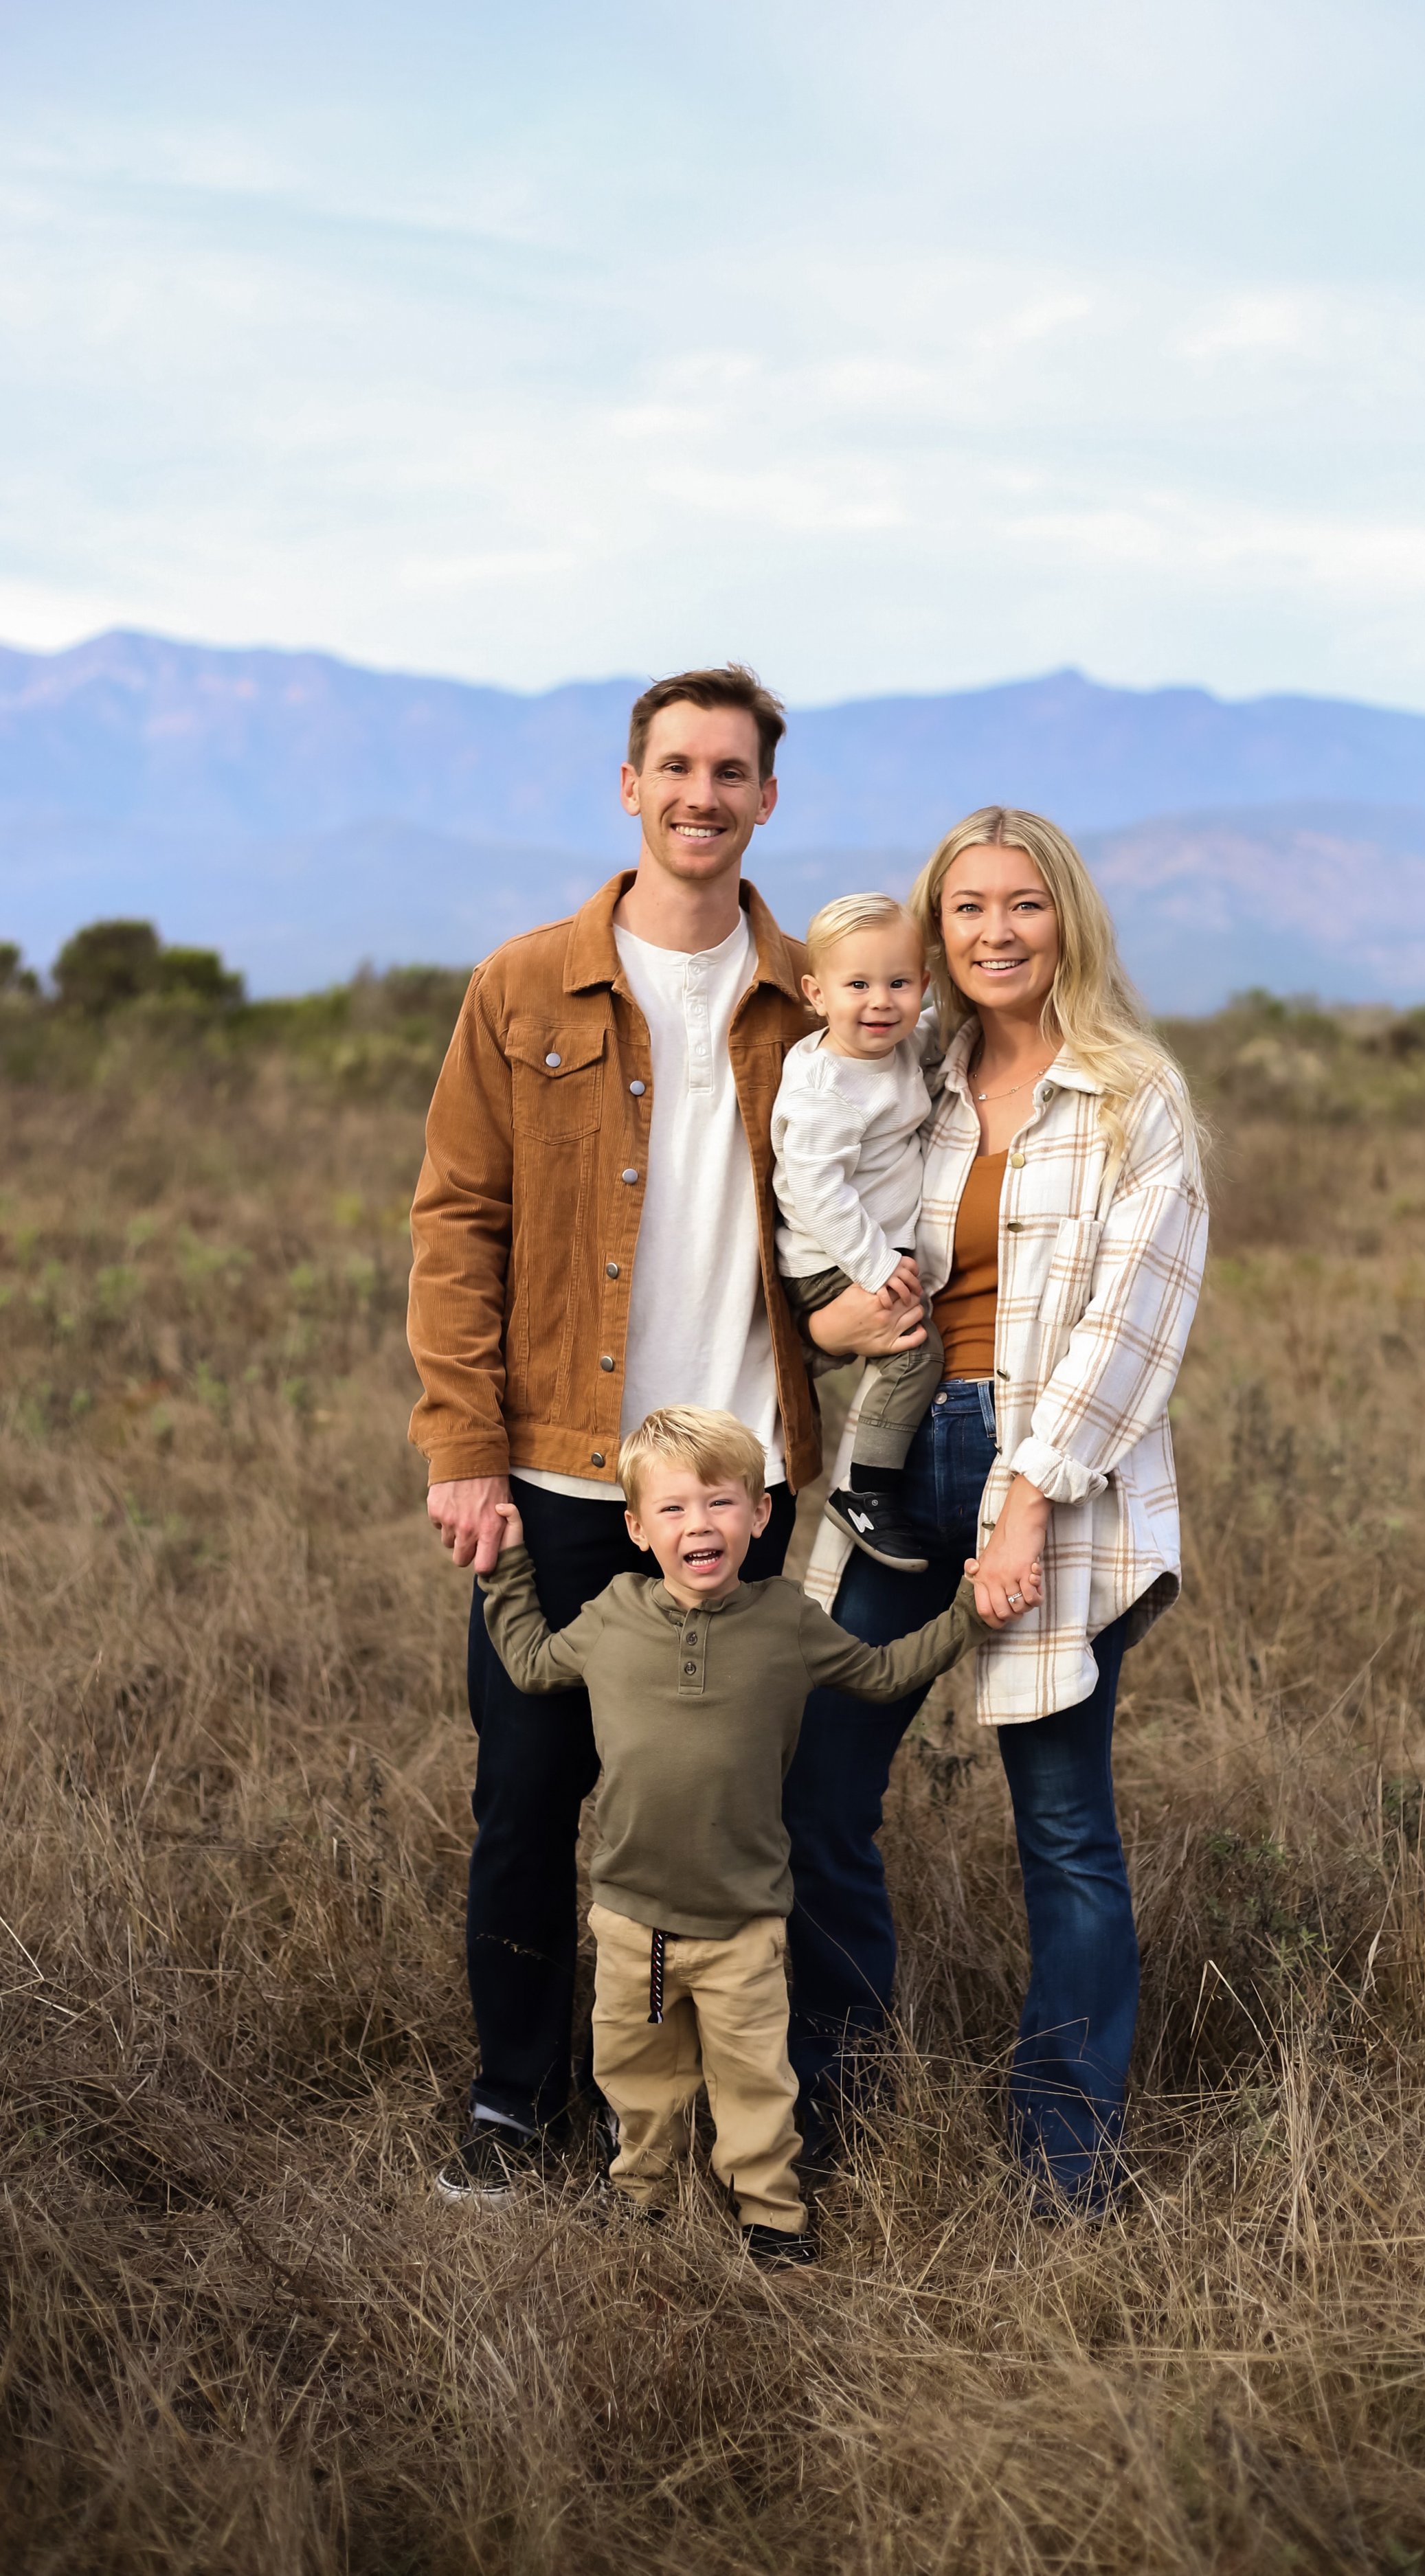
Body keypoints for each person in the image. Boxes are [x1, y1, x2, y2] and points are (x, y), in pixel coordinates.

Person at [405, 664, 914, 2204]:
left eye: (731, 773)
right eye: (675, 767)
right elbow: (456, 1223)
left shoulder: (812, 998)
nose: (702, 795)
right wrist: (462, 1446)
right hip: (569, 1469)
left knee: (782, 1807)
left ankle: (798, 2105)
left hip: (757, 1481)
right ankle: (515, 2106)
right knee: (528, 1795)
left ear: (769, 799)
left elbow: (923, 1144)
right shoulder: (522, 984)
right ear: (628, 786)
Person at [784, 806, 1209, 2215]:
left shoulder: (1130, 1092)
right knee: (815, 1787)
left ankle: (1061, 2163)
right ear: (935, 930)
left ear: (1064, 917)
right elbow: (824, 1206)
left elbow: (1130, 1323)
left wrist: (1023, 1500)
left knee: (1064, 1827)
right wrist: (825, 1318)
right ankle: (830, 2105)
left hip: (1049, 1473)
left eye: (1020, 905)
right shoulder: (912, 1073)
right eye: (964, 909)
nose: (992, 933)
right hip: (897, 1472)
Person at [476, 1405, 1022, 2260]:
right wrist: (506, 1564)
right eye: (673, 1509)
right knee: (638, 2078)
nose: (700, 1524)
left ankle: (771, 2216)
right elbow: (530, 1663)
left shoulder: (786, 1623)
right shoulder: (613, 1614)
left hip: (741, 1926)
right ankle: (640, 2198)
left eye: (721, 1504)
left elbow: (881, 1676)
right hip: (633, 1927)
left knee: (753, 2083)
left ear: (759, 1514)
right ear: (637, 1529)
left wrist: (969, 1611)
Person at [772, 890, 945, 1574]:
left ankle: (812, 1356)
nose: (880, 1002)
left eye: (898, 983)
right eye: (858, 986)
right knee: (911, 1352)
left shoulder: (894, 1047)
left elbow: (942, 1027)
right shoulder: (826, 1087)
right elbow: (814, 1188)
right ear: (816, 994)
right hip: (830, 1258)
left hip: (859, 1252)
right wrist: (875, 1264)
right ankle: (865, 1494)